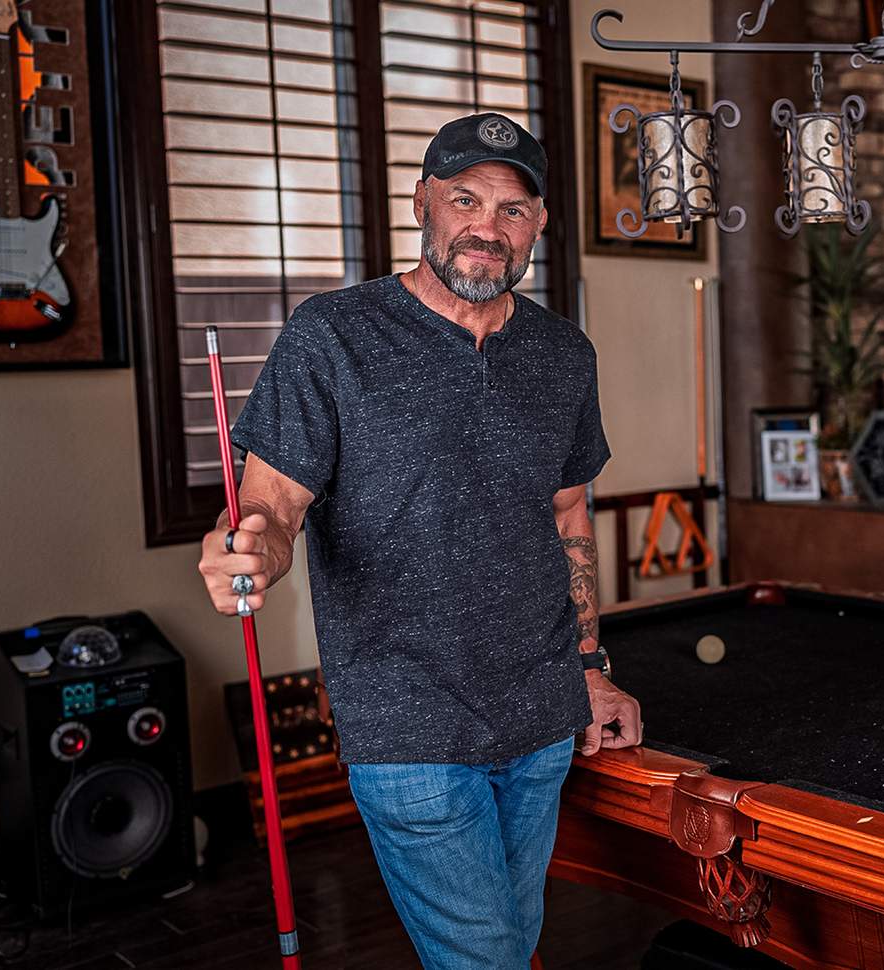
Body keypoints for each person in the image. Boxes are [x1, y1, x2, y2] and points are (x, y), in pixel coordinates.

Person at [196, 113, 643, 970]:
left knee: (516, 944)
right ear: (422, 204)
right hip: (408, 723)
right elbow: (273, 509)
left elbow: (568, 517)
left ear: (539, 224)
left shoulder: (562, 354)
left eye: (513, 209)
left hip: (543, 718)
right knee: (488, 961)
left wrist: (591, 669)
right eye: (464, 199)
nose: (487, 226)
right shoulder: (332, 335)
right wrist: (244, 547)